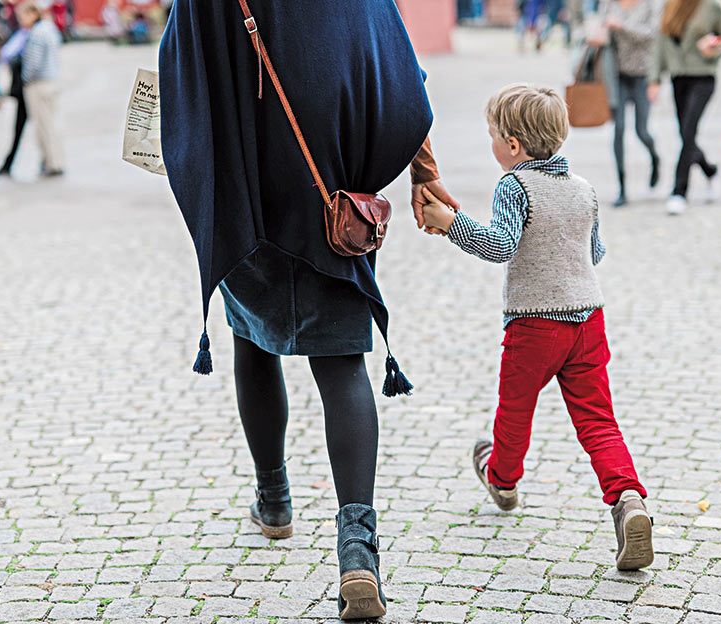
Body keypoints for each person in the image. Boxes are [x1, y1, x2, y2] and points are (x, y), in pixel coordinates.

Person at [158, 1, 457, 619]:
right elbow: (400, 75)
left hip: (251, 199)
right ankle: (357, 552)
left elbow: (179, 74)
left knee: (251, 341)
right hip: (333, 196)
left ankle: (274, 501)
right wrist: (421, 171)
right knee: (342, 365)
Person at [419, 84, 654, 572]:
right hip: (589, 319)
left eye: (492, 136)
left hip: (535, 325)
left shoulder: (515, 186)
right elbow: (595, 254)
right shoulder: (584, 189)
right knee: (598, 420)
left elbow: (501, 245)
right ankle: (628, 499)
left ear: (513, 146)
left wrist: (450, 222)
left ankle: (502, 481)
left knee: (515, 411)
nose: (491, 144)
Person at [648, 0, 721, 215]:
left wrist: (712, 46)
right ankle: (710, 170)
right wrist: (654, 78)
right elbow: (661, 40)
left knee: (688, 131)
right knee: (686, 135)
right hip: (679, 77)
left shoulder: (713, 6)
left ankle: (679, 191)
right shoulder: (670, 5)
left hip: (703, 75)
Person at [594, 0, 660, 207]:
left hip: (643, 75)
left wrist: (622, 26)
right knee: (619, 129)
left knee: (642, 131)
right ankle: (622, 188)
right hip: (617, 76)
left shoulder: (650, 5)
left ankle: (655, 157)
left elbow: (652, 35)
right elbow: (599, 30)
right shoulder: (608, 4)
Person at [19, 2, 64, 177]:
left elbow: (33, 64)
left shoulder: (37, 33)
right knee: (53, 124)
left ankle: (51, 162)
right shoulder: (50, 28)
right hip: (52, 80)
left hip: (39, 84)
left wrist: (25, 79)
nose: (21, 21)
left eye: (23, 16)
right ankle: (56, 160)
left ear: (32, 14)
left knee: (44, 127)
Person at [0, 25, 30, 177]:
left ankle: (8, 164)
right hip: (27, 87)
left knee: (37, 128)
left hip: (29, 87)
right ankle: (8, 164)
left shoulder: (30, 34)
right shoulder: (25, 34)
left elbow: (6, 53)